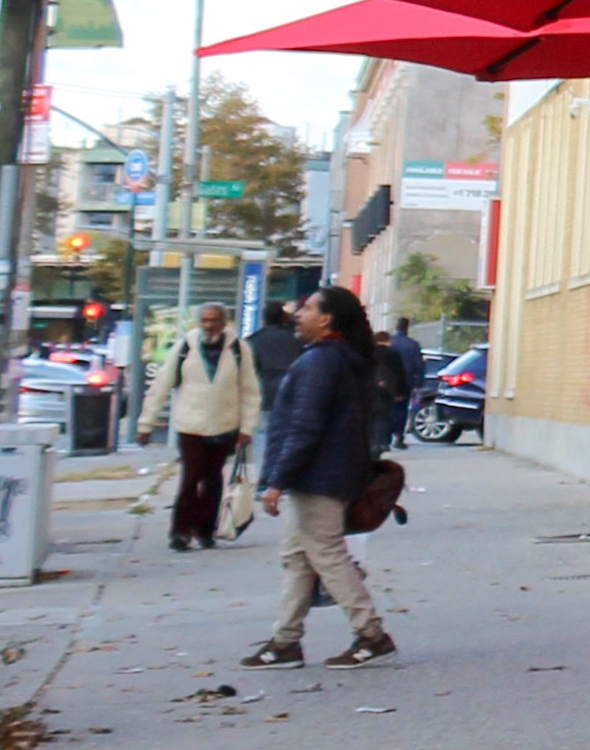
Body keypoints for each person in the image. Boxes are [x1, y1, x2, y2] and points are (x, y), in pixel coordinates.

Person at [245, 286, 398, 669]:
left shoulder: (320, 363)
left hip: (318, 476)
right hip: (330, 472)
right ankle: (285, 642)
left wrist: (276, 481)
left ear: (327, 319)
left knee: (327, 555)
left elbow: (304, 426)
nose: (298, 313)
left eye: (308, 308)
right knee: (298, 557)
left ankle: (371, 634)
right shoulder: (340, 359)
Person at [139, 307, 261, 555]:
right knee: (191, 477)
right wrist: (146, 423)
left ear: (224, 322)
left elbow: (250, 391)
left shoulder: (239, 349)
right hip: (191, 426)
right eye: (204, 321)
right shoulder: (186, 346)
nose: (209, 325)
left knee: (214, 478)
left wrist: (247, 428)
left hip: (224, 424)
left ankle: (206, 531)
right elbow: (162, 384)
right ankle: (181, 532)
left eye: (214, 320)